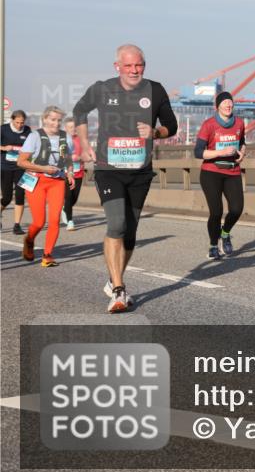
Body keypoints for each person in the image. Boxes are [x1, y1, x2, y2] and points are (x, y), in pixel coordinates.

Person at [73, 44, 178, 313]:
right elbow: (80, 111)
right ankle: (119, 290)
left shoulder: (155, 90)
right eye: (129, 65)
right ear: (117, 66)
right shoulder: (102, 88)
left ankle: (113, 279)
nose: (134, 70)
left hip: (140, 169)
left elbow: (172, 126)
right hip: (109, 169)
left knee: (130, 232)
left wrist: (156, 133)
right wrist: (84, 144)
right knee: (117, 224)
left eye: (139, 65)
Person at [16, 106, 75, 267]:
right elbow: (21, 161)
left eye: (59, 120)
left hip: (56, 182)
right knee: (39, 221)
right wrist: (43, 169)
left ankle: (47, 255)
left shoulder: (66, 137)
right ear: (45, 119)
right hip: (36, 181)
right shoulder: (35, 137)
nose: (56, 123)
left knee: (55, 220)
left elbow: (68, 159)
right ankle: (29, 240)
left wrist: (70, 173)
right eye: (52, 119)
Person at [195, 91, 246, 260]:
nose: (228, 105)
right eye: (225, 103)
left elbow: (242, 142)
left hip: (232, 171)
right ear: (217, 106)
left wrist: (243, 152)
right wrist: (221, 151)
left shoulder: (239, 123)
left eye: (230, 103)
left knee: (237, 209)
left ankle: (225, 233)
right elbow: (198, 152)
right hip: (211, 173)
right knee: (216, 212)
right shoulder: (208, 125)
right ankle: (212, 245)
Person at [2, 109, 32, 234]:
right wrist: (4, 147)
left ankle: (16, 225)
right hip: (5, 167)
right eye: (17, 122)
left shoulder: (27, 130)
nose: (20, 125)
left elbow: (31, 147)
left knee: (20, 195)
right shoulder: (3, 129)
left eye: (22, 122)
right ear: (12, 120)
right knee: (7, 198)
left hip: (21, 167)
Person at [61, 118, 85, 231]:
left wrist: (80, 158)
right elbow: (59, 157)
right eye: (70, 127)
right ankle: (70, 221)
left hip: (78, 173)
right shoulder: (61, 140)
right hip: (65, 173)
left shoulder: (81, 140)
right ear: (65, 128)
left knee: (74, 199)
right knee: (69, 197)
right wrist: (70, 157)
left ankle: (65, 209)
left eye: (74, 127)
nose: (73, 129)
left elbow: (86, 155)